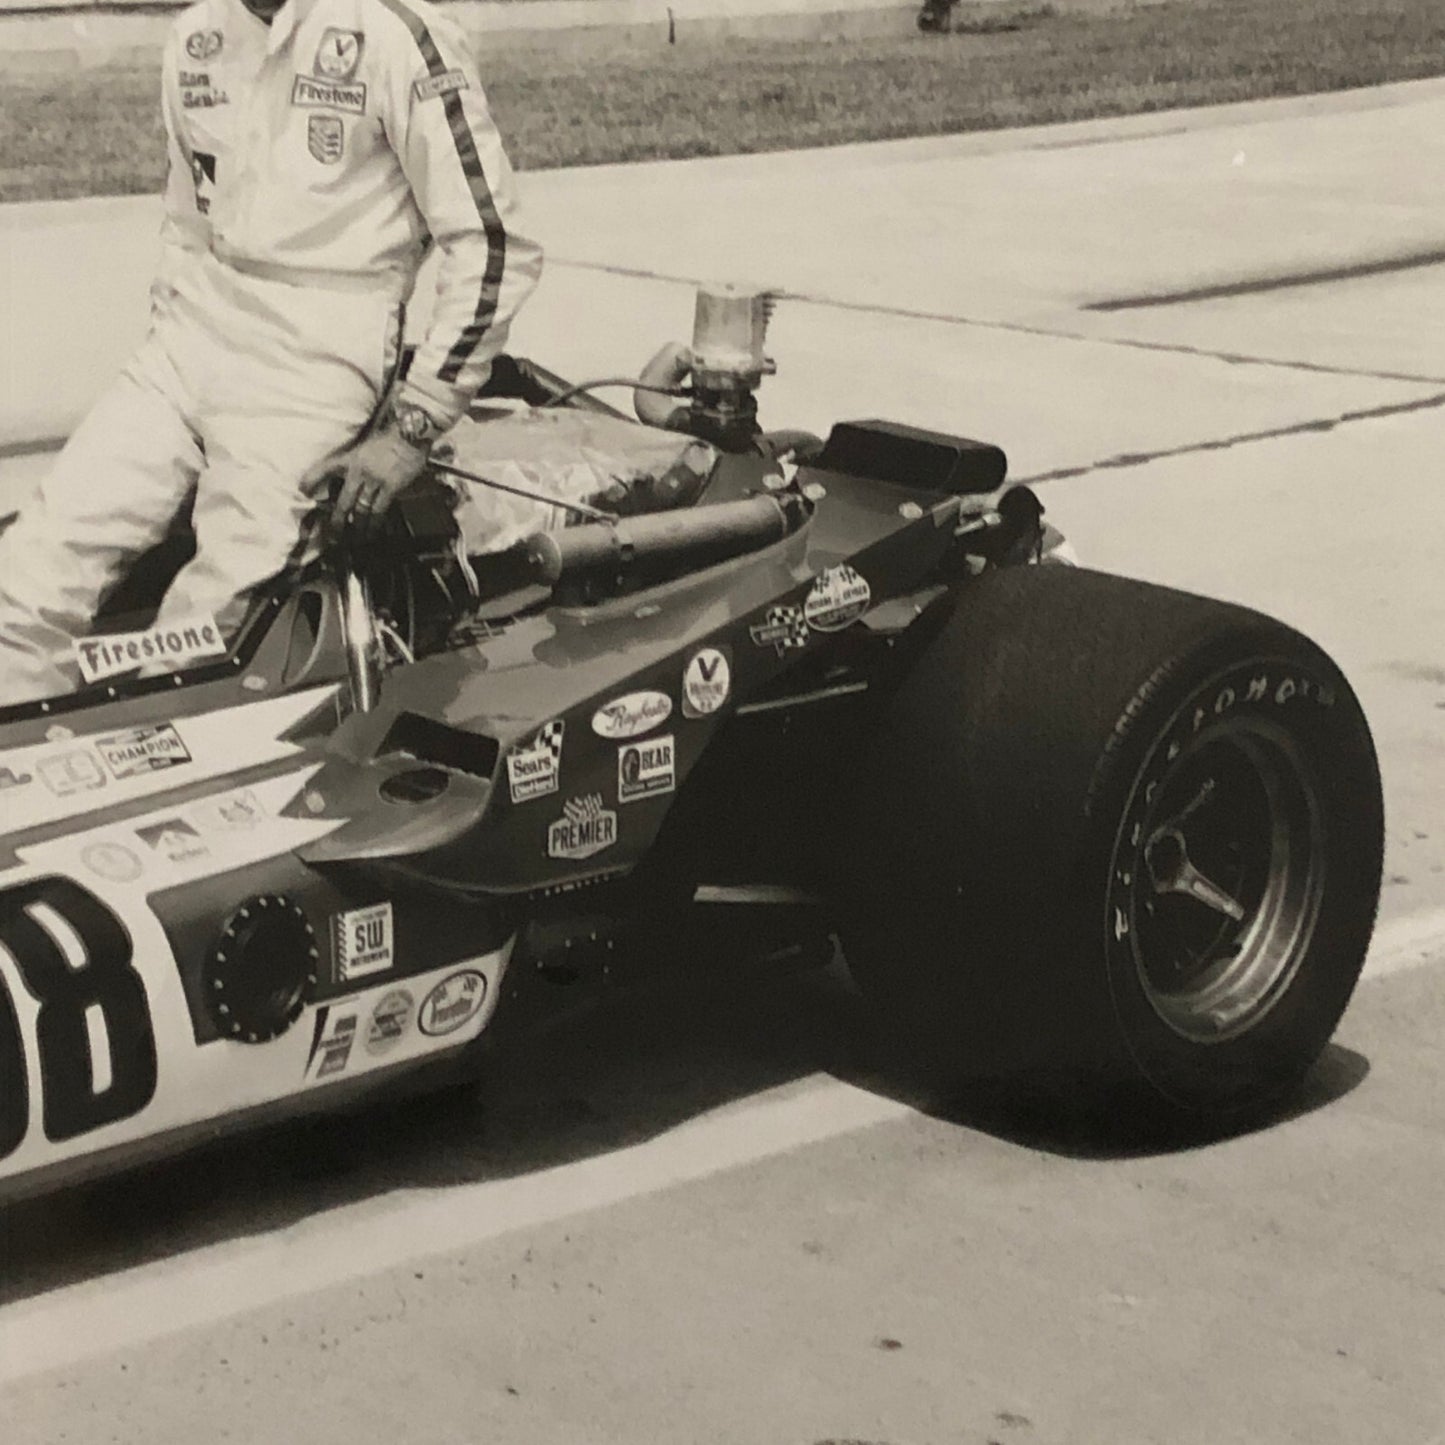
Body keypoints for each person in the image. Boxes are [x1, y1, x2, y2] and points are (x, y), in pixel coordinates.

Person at [0, 0, 542, 703]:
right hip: (188, 340)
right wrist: (172, 339)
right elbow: (187, 224)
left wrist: (414, 425)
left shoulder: (395, 33)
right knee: (26, 578)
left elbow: (492, 244)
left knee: (208, 636)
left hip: (315, 362)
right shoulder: (197, 36)